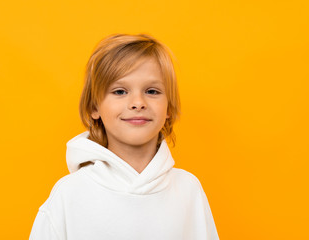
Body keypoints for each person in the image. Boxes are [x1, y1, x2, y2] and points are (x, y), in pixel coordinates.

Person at [29, 33, 219, 240]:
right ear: (95, 107)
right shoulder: (69, 194)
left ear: (169, 108)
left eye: (152, 91)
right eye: (120, 91)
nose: (138, 103)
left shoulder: (188, 190)